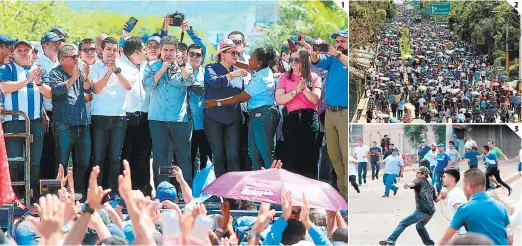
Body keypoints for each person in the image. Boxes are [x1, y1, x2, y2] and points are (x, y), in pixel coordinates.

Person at [204, 48, 281, 170]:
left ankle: (273, 184)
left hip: (263, 116)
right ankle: (258, 185)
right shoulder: (261, 70)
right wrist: (231, 60)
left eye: (251, 59)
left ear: (259, 63)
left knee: (267, 155)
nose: (248, 60)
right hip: (256, 116)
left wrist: (217, 102)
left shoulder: (261, 79)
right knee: (255, 156)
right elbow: (248, 66)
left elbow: (239, 98)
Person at [0, 40, 52, 199]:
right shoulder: (6, 68)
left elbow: (49, 94)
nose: (23, 53)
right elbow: (5, 87)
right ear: (13, 54)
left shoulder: (39, 70)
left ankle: (33, 196)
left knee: (34, 161)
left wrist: (38, 81)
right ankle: (15, 196)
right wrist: (28, 80)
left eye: (26, 50)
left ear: (32, 52)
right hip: (13, 120)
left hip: (35, 121)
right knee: (14, 160)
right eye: (19, 50)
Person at [144, 35, 195, 188]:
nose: (168, 53)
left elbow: (189, 81)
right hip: (157, 118)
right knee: (160, 156)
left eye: (171, 50)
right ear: (160, 50)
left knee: (183, 156)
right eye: (165, 50)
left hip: (179, 119)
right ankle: (163, 189)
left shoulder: (184, 66)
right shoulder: (152, 66)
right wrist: (162, 70)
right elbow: (147, 85)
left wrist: (181, 65)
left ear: (177, 51)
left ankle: (185, 190)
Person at [46, 44, 92, 197]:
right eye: (73, 57)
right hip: (63, 124)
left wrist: (84, 78)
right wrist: (73, 79)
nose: (76, 59)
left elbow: (87, 90)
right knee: (61, 162)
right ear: (62, 59)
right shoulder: (55, 73)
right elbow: (57, 91)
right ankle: (59, 193)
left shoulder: (79, 72)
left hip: (81, 123)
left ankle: (79, 192)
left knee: (84, 162)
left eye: (76, 56)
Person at [89, 37, 132, 193]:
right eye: (108, 49)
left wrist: (116, 71)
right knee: (98, 157)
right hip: (99, 116)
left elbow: (128, 86)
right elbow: (96, 89)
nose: (111, 53)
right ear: (102, 50)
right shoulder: (94, 67)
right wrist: (108, 72)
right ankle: (96, 191)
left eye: (114, 50)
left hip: (119, 117)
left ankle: (113, 191)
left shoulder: (123, 67)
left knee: (115, 157)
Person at [310, 29, 348, 197]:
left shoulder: (346, 58)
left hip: (345, 113)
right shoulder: (333, 58)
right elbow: (317, 62)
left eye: (343, 41)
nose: (339, 44)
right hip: (331, 112)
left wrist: (337, 53)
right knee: (334, 154)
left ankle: (347, 192)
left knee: (346, 156)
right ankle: (343, 191)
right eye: (337, 41)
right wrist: (314, 52)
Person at [203, 39, 248, 178]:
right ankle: (220, 192)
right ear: (222, 54)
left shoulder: (239, 72)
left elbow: (241, 94)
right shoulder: (210, 68)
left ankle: (233, 193)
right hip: (213, 118)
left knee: (233, 155)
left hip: (233, 117)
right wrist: (232, 75)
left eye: (238, 53)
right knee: (219, 155)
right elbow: (215, 82)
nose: (236, 56)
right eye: (233, 52)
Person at [275, 48, 322, 179]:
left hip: (310, 118)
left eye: (297, 60)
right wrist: (296, 91)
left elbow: (315, 99)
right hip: (292, 118)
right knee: (291, 158)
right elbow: (279, 99)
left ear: (304, 61)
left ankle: (310, 193)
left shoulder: (314, 77)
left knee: (311, 158)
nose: (293, 62)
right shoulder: (284, 77)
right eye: (291, 60)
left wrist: (305, 89)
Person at [438, 169, 513, 246]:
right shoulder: (501, 207)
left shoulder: (464, 209)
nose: (463, 189)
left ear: (468, 186)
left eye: (463, 185)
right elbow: (510, 237)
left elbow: (444, 241)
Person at [118, 37, 152, 194]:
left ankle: (143, 188)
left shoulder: (148, 66)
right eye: (143, 49)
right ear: (137, 51)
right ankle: (126, 189)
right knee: (127, 155)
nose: (145, 52)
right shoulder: (120, 66)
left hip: (145, 115)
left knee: (143, 155)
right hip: (127, 116)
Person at [379, 167, 441, 245]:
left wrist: (408, 185)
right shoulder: (431, 186)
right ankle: (430, 244)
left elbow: (413, 183)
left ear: (424, 174)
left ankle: (391, 240)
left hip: (421, 211)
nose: (416, 174)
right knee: (420, 226)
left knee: (403, 223)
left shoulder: (418, 181)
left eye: (418, 173)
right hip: (430, 213)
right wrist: (441, 196)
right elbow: (436, 200)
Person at [38, 32, 65, 179]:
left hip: (61, 114)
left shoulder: (60, 64)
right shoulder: (39, 65)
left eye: (59, 43)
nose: (57, 45)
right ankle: (46, 191)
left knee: (60, 153)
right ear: (44, 46)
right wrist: (42, 113)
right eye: (53, 43)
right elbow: (36, 92)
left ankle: (57, 188)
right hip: (47, 113)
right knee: (47, 153)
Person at [441, 169, 467, 236]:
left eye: (444, 177)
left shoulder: (455, 194)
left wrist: (456, 233)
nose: (442, 179)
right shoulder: (454, 192)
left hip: (461, 234)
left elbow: (460, 213)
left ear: (452, 179)